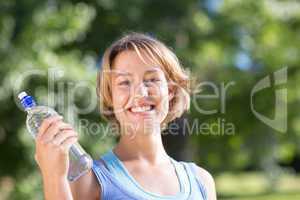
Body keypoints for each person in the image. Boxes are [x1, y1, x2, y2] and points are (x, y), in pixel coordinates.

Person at [34, 32, 217, 200]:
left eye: (152, 79)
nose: (140, 92)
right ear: (110, 97)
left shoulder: (201, 182)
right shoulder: (90, 181)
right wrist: (53, 176)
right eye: (124, 82)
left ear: (170, 91)